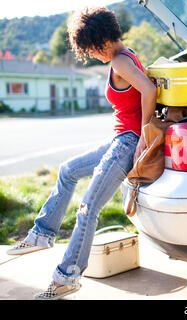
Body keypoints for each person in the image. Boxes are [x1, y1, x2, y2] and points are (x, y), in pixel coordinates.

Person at [6, 7, 157, 300]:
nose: (89, 54)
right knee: (67, 170)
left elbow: (149, 91)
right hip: (120, 139)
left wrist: (143, 136)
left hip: (127, 142)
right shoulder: (128, 55)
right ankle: (42, 234)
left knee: (88, 210)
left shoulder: (119, 62)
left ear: (100, 39)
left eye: (89, 47)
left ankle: (67, 278)